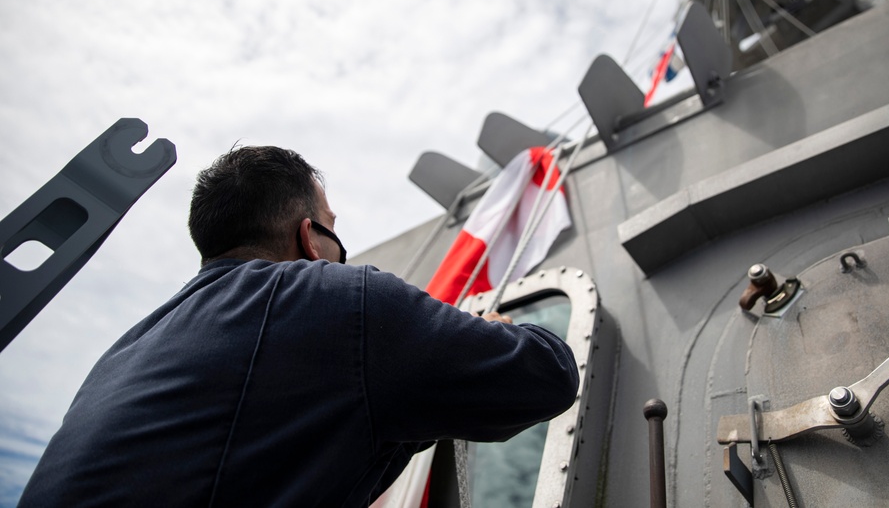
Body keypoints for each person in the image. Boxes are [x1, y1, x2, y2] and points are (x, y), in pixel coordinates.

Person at [19, 146, 579, 507]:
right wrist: (498, 328)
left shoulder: (126, 350)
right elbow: (547, 375)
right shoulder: (338, 300)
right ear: (310, 238)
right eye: (333, 231)